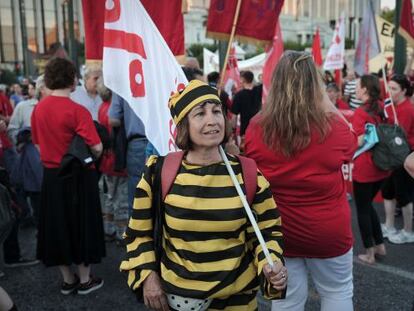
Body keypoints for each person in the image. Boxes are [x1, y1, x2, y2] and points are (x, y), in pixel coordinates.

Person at [120, 80, 287, 311]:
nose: (212, 120)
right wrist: (148, 276)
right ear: (184, 125)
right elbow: (138, 233)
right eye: (200, 113)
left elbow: (268, 231)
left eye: (217, 111)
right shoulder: (157, 172)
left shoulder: (247, 173)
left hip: (238, 302)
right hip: (178, 301)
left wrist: (272, 264)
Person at [245, 51, 357, 311]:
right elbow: (351, 146)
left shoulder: (256, 126)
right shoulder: (334, 127)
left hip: (279, 231)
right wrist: (327, 104)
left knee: (287, 301)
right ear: (314, 84)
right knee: (337, 292)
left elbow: (250, 162)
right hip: (328, 230)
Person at [31, 57, 105, 295]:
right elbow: (97, 147)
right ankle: (85, 280)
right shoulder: (78, 110)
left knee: (57, 226)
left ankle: (68, 280)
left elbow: (38, 147)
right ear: (72, 80)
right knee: (83, 224)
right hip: (79, 176)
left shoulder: (38, 109)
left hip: (52, 176)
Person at [351, 74, 389, 264]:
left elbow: (359, 140)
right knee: (368, 206)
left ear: (365, 89)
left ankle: (369, 253)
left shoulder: (361, 112)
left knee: (363, 209)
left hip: (365, 167)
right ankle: (380, 246)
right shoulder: (382, 107)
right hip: (382, 166)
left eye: (357, 86)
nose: (355, 89)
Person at [381, 74, 414, 244]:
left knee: (404, 195)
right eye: (389, 87)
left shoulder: (407, 109)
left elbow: (401, 138)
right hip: (394, 156)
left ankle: (408, 231)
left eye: (394, 89)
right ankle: (389, 225)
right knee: (388, 191)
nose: (390, 92)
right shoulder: (393, 106)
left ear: (404, 91)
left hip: (406, 156)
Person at [96, 79, 129, 242]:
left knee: (109, 196)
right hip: (118, 159)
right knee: (121, 197)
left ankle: (108, 228)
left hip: (106, 159)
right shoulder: (114, 109)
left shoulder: (102, 107)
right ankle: (122, 232)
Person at [108, 93, 147, 215]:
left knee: (137, 199)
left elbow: (113, 119)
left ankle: (137, 233)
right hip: (162, 141)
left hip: (137, 143)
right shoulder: (159, 76)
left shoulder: (123, 81)